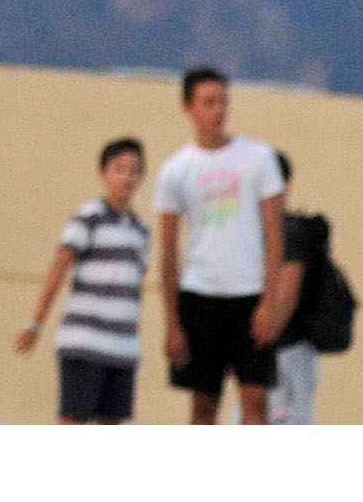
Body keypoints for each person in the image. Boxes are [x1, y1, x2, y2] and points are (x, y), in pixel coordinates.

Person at [154, 66, 289, 425]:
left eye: (223, 102)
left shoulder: (259, 159)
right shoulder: (175, 170)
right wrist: (172, 323)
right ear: (189, 108)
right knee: (203, 405)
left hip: (249, 295)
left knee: (255, 400)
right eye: (208, 102)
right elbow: (168, 251)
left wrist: (270, 302)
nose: (218, 111)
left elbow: (275, 234)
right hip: (199, 298)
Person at [15, 136, 150, 424]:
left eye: (134, 170)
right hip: (84, 345)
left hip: (122, 350)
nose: (126, 176)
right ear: (103, 174)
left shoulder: (141, 231)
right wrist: (35, 322)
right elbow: (59, 267)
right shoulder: (88, 217)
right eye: (118, 168)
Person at [266, 149, 337, 424]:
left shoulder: (290, 232)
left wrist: (260, 342)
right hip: (273, 355)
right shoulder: (266, 231)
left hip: (287, 353)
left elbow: (287, 296)